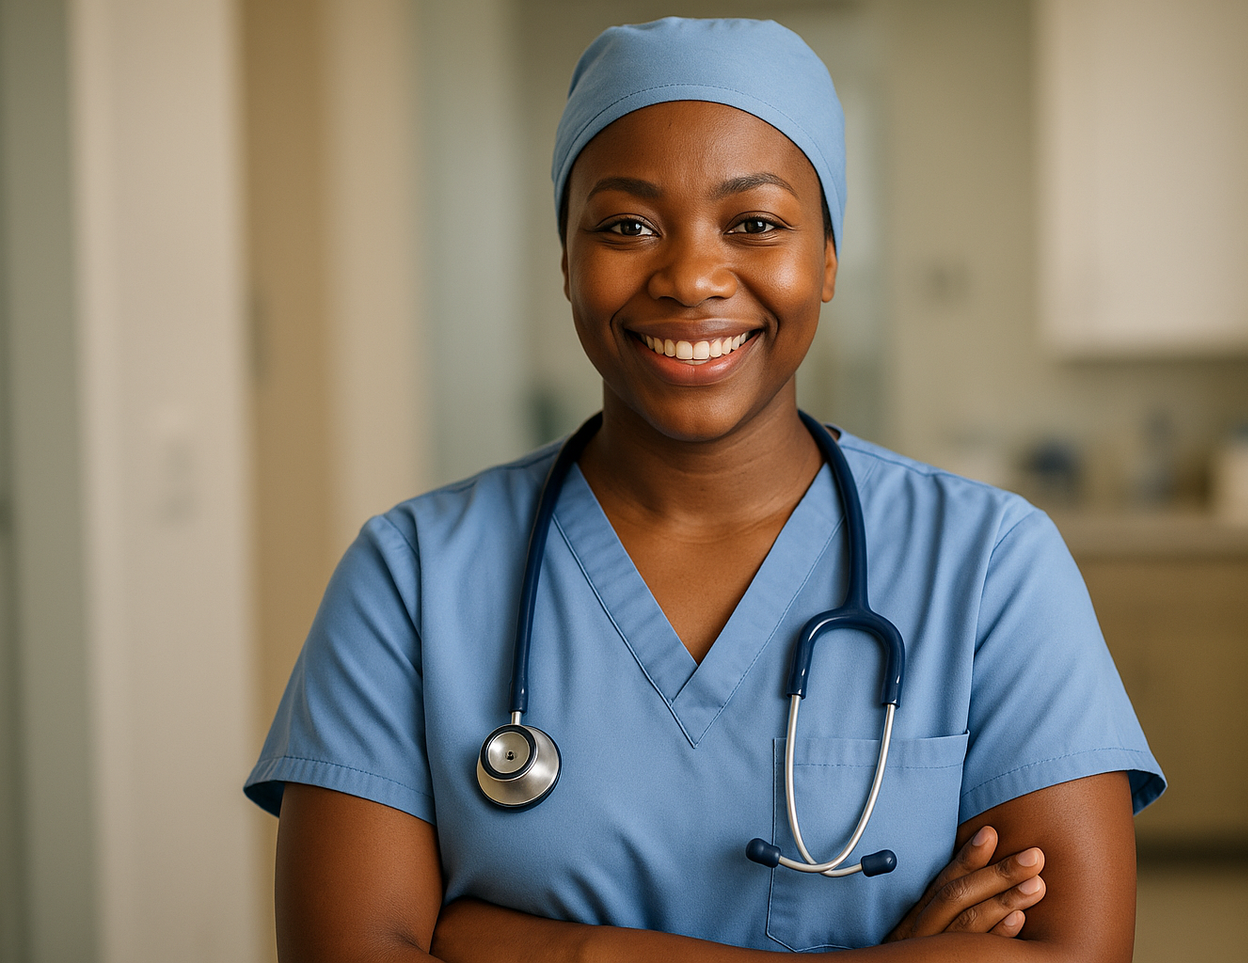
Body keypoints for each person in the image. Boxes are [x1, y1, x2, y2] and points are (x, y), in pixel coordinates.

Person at [246, 17, 1164, 962]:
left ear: (828, 258)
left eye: (755, 224)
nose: (689, 278)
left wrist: (559, 951)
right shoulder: (410, 577)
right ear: (565, 258)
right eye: (626, 226)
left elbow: (1072, 954)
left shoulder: (990, 565)